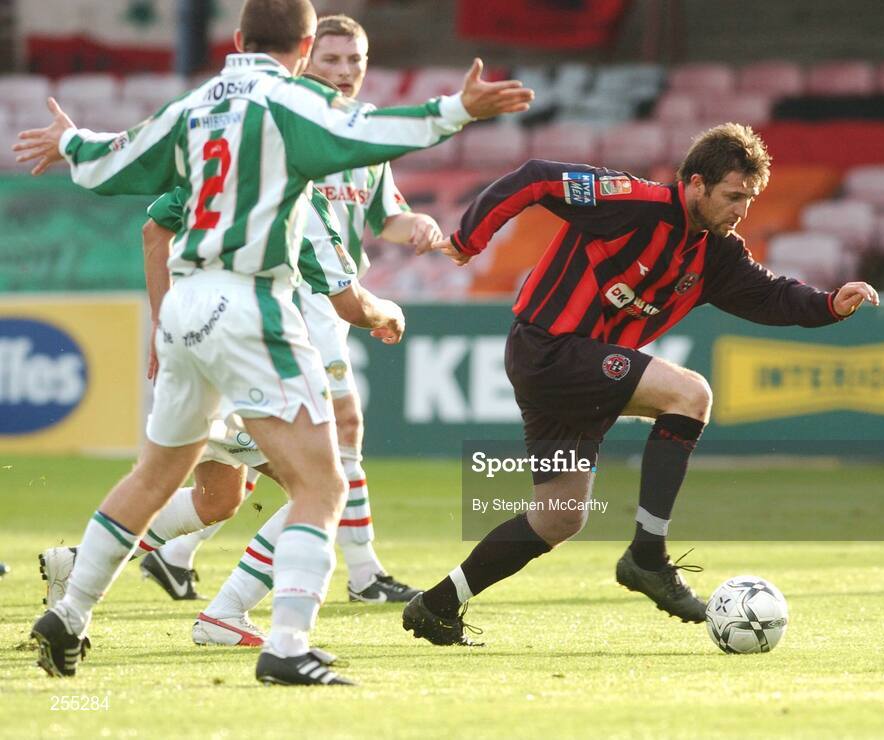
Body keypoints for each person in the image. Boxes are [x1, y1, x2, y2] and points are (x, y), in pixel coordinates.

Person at [14, 0, 531, 684]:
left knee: (155, 475)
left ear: (236, 39)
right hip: (249, 298)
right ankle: (286, 644)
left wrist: (71, 141)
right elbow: (372, 128)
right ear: (306, 43)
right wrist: (456, 109)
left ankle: (71, 611)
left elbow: (121, 159)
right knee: (322, 479)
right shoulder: (290, 100)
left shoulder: (197, 104)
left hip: (185, 300)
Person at [401, 123, 880, 646]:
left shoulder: (717, 254)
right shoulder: (631, 201)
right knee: (690, 394)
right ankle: (647, 556)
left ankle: (437, 604)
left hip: (574, 373)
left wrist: (830, 304)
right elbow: (536, 178)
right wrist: (470, 239)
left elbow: (771, 296)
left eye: (749, 199)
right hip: (551, 348)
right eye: (732, 196)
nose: (741, 210)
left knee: (558, 518)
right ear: (696, 183)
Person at [144, 14, 441, 608]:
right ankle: (361, 575)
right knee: (334, 439)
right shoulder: (278, 124)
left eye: (354, 60)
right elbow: (159, 223)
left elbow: (386, 216)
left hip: (329, 299)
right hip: (286, 297)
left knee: (252, 464)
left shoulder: (363, 137)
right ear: (306, 58)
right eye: (331, 60)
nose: (345, 72)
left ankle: (156, 550)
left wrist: (420, 226)